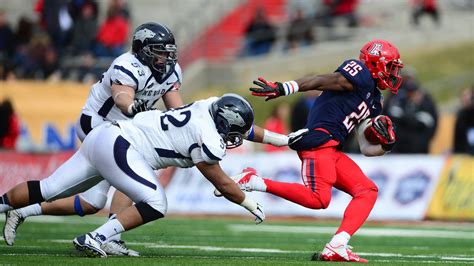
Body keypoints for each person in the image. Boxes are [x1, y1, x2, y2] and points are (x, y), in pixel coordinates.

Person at [0, 94, 276, 258]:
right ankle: (95, 238)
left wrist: (283, 140)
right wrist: (250, 203)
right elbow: (223, 183)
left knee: (49, 187)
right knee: (156, 203)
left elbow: (248, 130)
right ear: (223, 124)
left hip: (105, 135)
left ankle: (6, 206)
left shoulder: (207, 106)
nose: (235, 139)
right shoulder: (208, 138)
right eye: (233, 133)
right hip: (122, 147)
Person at [3, 22, 184, 256]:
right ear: (142, 49)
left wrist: (186, 124)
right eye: (159, 51)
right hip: (97, 125)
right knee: (134, 170)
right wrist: (131, 107)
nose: (164, 57)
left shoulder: (170, 71)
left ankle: (22, 210)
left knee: (90, 202)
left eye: (167, 52)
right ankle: (111, 237)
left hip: (122, 130)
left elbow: (176, 111)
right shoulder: (126, 64)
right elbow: (121, 96)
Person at [241, 39, 402, 262]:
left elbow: (365, 147)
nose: (394, 74)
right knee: (319, 199)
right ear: (376, 64)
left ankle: (337, 244)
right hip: (319, 140)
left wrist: (386, 144)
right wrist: (284, 88)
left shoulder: (375, 98)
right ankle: (254, 181)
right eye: (391, 67)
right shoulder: (360, 74)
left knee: (367, 190)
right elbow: (322, 80)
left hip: (332, 148)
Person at [383, 78, 438, 153]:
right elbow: (392, 115)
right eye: (410, 93)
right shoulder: (401, 104)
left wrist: (405, 117)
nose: (412, 96)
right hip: (401, 148)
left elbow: (426, 122)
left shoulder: (427, 106)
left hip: (420, 148)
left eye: (414, 93)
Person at [453, 86, 474, 155]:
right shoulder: (461, 115)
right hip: (464, 153)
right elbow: (457, 138)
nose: (466, 98)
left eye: (468, 95)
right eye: (464, 96)